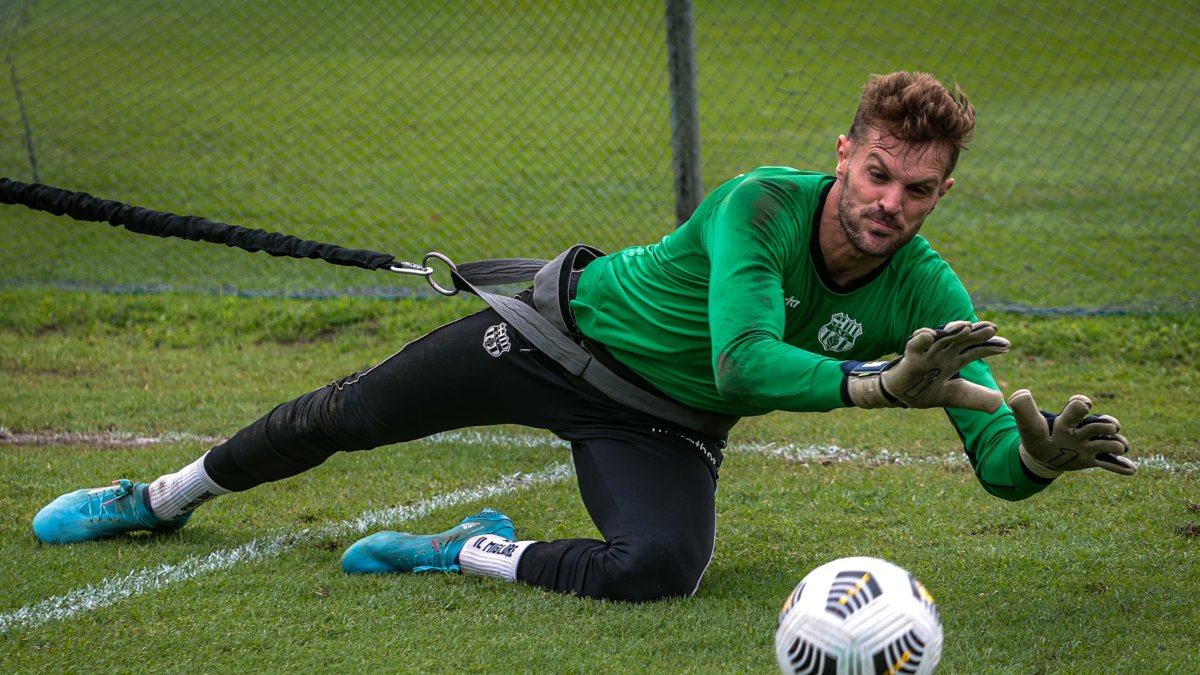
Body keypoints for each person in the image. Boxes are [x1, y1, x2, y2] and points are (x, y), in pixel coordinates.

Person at [30, 71, 1136, 603]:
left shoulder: (925, 289)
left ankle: (463, 547)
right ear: (844, 153)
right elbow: (744, 359)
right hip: (558, 339)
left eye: (920, 190)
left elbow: (993, 437)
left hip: (666, 422)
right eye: (878, 173)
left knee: (663, 570)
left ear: (943, 195)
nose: (891, 203)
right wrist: (879, 389)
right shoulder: (758, 203)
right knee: (354, 413)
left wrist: (1033, 458)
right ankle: (161, 501)